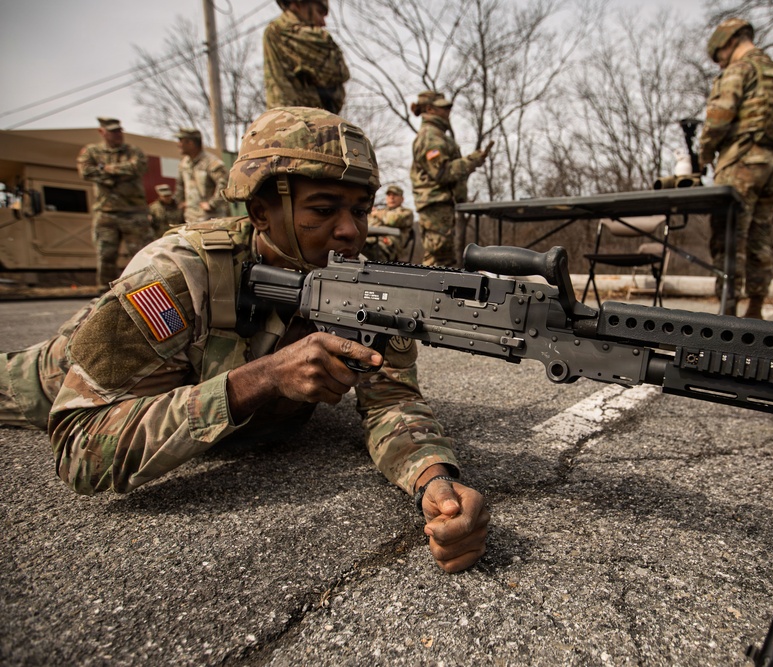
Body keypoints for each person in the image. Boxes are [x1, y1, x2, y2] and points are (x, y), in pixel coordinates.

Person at [0, 107, 490, 572]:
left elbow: (392, 400)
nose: (349, 230)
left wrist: (436, 481)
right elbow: (79, 446)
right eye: (322, 210)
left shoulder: (365, 285)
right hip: (49, 381)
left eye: (361, 210)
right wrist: (263, 378)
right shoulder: (178, 275)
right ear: (260, 212)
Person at [698, 19, 773, 319]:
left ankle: (727, 309)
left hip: (742, 161)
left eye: (719, 56)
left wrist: (704, 153)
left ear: (728, 42)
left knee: (730, 234)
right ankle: (755, 307)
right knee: (760, 234)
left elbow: (719, 116)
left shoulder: (740, 70)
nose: (720, 64)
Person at [410, 91, 490, 267]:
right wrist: (472, 161)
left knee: (442, 260)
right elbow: (443, 172)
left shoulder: (437, 135)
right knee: (439, 261)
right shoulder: (430, 136)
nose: (447, 111)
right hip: (435, 206)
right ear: (430, 109)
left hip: (441, 206)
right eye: (443, 107)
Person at [77, 117, 152, 290]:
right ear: (102, 132)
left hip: (134, 212)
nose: (118, 134)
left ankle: (146, 289)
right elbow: (86, 172)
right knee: (106, 255)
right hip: (106, 212)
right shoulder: (92, 151)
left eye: (119, 130)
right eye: (113, 131)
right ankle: (104, 293)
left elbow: (138, 168)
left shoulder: (134, 151)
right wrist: (121, 172)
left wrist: (106, 169)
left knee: (142, 255)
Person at [263, 0, 350, 113]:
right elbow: (340, 71)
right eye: (319, 12)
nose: (323, 23)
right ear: (298, 4)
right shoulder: (282, 30)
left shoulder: (278, 32)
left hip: (300, 121)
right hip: (299, 122)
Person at [175, 128, 231, 224]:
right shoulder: (184, 163)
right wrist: (181, 202)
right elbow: (180, 185)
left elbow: (225, 183)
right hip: (190, 218)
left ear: (191, 143)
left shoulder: (211, 162)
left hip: (211, 219)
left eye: (181, 141)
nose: (179, 145)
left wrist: (212, 204)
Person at [364, 184, 415, 263]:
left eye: (395, 195)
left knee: (369, 249)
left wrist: (377, 213)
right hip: (371, 240)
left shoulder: (406, 213)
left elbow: (393, 220)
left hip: (390, 247)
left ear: (402, 199)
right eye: (389, 195)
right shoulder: (379, 211)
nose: (391, 197)